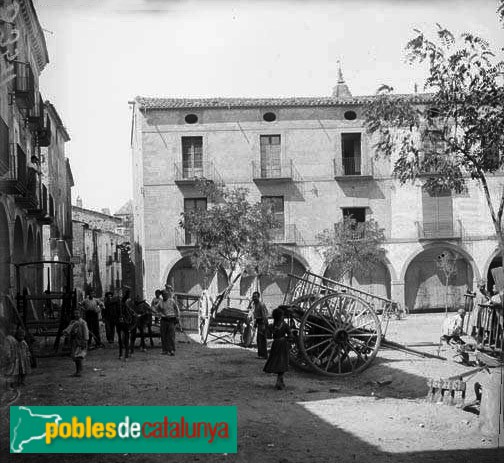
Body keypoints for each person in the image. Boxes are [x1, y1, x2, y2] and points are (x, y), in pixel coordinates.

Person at [263, 307, 293, 390]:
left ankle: (279, 381)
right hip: (283, 345)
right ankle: (280, 381)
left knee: (277, 362)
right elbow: (290, 336)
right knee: (282, 362)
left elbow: (268, 335)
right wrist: (289, 339)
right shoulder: (285, 325)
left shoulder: (272, 326)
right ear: (281, 317)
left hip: (275, 345)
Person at [62, 309, 89, 377]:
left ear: (80, 314)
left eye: (77, 313)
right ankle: (77, 371)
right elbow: (68, 330)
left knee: (79, 356)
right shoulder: (72, 322)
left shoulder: (83, 322)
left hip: (80, 341)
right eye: (75, 313)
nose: (76, 315)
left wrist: (85, 341)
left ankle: (79, 371)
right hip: (74, 341)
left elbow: (85, 332)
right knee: (74, 356)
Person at [154, 286, 180, 355]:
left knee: (171, 335)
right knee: (163, 335)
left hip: (171, 320)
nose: (164, 296)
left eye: (165, 294)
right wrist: (158, 313)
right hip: (163, 320)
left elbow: (177, 309)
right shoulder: (160, 302)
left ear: (167, 295)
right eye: (163, 295)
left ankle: (171, 350)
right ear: (162, 296)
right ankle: (164, 350)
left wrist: (177, 317)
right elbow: (155, 309)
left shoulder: (172, 301)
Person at [250, 291, 269, 359]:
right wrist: (255, 324)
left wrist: (264, 326)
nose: (254, 298)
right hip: (259, 323)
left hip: (262, 324)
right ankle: (261, 354)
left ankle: (264, 355)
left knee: (262, 340)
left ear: (258, 297)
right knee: (259, 340)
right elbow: (256, 316)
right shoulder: (255, 305)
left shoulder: (261, 305)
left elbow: (264, 316)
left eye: (255, 297)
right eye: (253, 297)